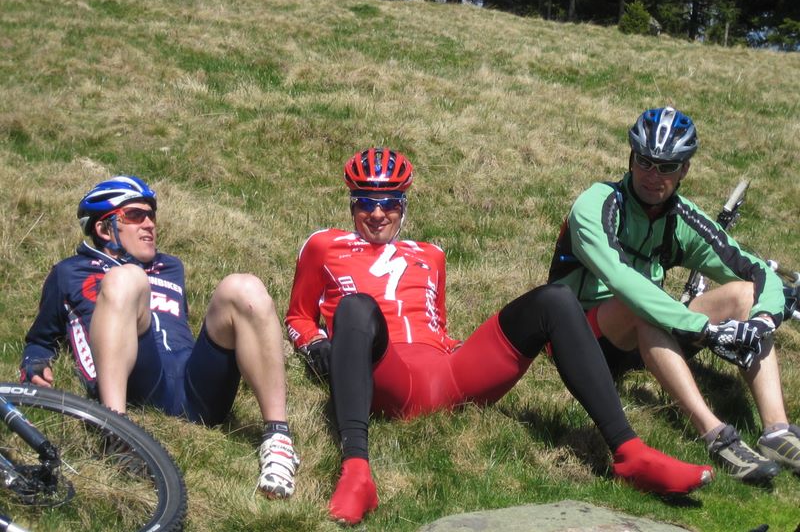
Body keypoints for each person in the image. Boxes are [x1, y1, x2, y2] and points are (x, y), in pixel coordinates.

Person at [286, 147, 713, 525]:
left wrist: (457, 349)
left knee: (555, 299)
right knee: (356, 306)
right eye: (365, 202)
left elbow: (435, 323)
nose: (378, 214)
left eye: (389, 203)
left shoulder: (431, 255)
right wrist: (315, 344)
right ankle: (357, 471)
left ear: (404, 204)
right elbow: (298, 317)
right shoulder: (324, 246)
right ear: (351, 204)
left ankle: (630, 454)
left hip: (447, 372)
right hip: (389, 373)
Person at [548, 107, 799, 484]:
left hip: (645, 338)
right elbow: (622, 280)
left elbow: (756, 270)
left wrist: (763, 319)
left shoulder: (682, 218)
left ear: (685, 170)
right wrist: (704, 329)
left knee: (745, 296)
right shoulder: (597, 203)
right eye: (645, 162)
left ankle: (776, 431)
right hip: (579, 338)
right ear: (631, 158)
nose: (653, 175)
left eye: (667, 166)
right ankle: (716, 435)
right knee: (640, 304)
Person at [20, 175, 299, 498]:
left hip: (195, 387)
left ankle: (278, 438)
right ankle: (116, 432)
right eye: (135, 215)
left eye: (151, 215)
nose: (149, 224)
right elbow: (40, 338)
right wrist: (35, 362)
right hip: (137, 383)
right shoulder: (70, 272)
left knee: (244, 286)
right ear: (104, 228)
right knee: (126, 278)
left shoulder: (170, 267)